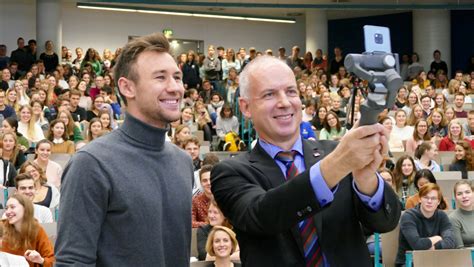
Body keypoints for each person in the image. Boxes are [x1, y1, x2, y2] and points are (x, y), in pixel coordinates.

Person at [211, 56, 401, 266]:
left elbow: (385, 221)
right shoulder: (230, 172)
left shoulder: (337, 152)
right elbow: (263, 215)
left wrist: (365, 179)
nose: (284, 102)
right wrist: (339, 163)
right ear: (245, 107)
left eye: (291, 91)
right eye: (269, 94)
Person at [55, 33, 193, 266]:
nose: (175, 88)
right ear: (127, 88)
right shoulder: (91, 163)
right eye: (160, 77)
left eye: (177, 77)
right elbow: (72, 261)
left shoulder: (183, 161)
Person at [396, 183, 456, 266]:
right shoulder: (408, 216)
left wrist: (431, 248)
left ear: (438, 202)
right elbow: (417, 245)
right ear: (420, 199)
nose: (429, 201)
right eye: (426, 197)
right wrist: (437, 238)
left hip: (435, 261)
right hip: (409, 262)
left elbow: (451, 242)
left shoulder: (442, 216)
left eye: (433, 198)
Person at [1, 194, 55, 266]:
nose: (7, 212)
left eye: (12, 207)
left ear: (25, 209)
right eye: (6, 208)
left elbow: (52, 260)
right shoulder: (2, 226)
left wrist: (41, 260)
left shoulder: (37, 230)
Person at [449, 180, 474, 248]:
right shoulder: (453, 218)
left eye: (467, 192)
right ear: (456, 198)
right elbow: (460, 250)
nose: (464, 196)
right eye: (459, 194)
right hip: (469, 256)